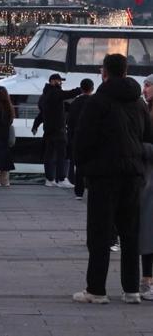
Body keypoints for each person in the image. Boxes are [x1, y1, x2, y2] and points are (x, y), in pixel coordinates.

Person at [72, 54, 152, 304]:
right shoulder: (138, 102)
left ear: (104, 72)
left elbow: (82, 139)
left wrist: (83, 169)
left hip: (103, 175)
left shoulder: (97, 101)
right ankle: (131, 290)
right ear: (126, 71)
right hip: (133, 175)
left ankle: (96, 290)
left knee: (100, 234)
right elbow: (147, 136)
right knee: (130, 234)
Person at [32, 74, 81, 188]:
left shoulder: (44, 96)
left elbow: (41, 114)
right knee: (62, 155)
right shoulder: (55, 92)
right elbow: (68, 94)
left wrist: (35, 126)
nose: (60, 83)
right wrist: (80, 90)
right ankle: (62, 178)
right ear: (53, 81)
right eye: (59, 81)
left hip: (48, 130)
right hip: (58, 130)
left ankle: (50, 179)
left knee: (49, 155)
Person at [67, 79, 94, 200]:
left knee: (79, 166)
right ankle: (93, 189)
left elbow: (70, 121)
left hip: (78, 138)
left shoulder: (75, 103)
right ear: (92, 88)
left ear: (81, 88)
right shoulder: (95, 102)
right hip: (92, 137)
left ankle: (79, 192)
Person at [140, 74, 153, 301]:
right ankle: (146, 279)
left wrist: (141, 148)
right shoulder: (145, 110)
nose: (145, 90)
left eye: (149, 85)